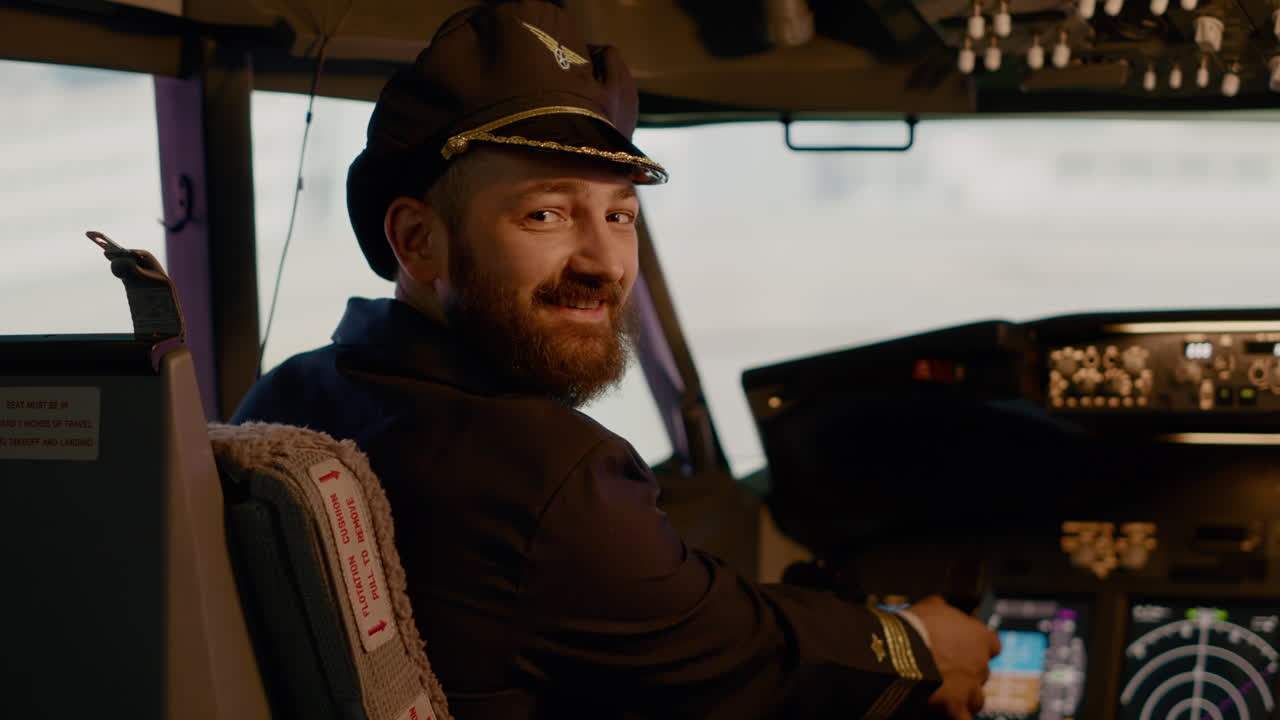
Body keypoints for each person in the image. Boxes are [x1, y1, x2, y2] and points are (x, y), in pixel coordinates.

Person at [232, 1, 1001, 718]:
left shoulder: (289, 393)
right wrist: (922, 647)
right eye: (547, 213)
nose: (604, 260)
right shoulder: (548, 474)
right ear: (418, 240)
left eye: (620, 214)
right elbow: (743, 657)